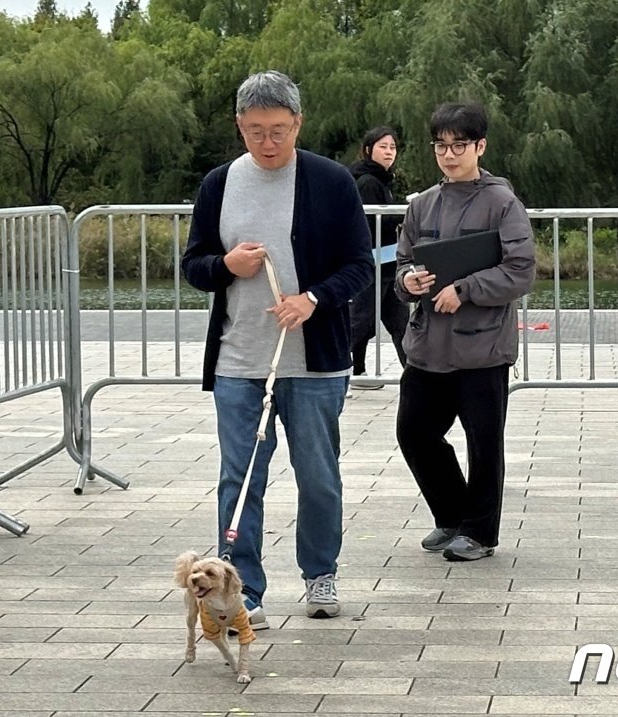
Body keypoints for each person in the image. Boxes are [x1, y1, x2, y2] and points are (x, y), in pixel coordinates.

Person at [180, 71, 372, 627]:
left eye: (280, 130)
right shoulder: (218, 183)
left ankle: (320, 574)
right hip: (240, 361)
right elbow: (195, 265)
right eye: (257, 130)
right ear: (239, 126)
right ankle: (242, 591)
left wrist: (313, 298)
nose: (268, 142)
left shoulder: (333, 181)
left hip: (314, 365)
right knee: (239, 478)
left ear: (298, 124)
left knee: (318, 475)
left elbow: (360, 266)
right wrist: (226, 266)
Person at [394, 102, 535, 562]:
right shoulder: (422, 205)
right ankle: (452, 514)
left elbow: (521, 270)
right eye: (441, 146)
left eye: (459, 146)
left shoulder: (502, 203)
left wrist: (467, 288)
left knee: (483, 442)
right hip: (427, 346)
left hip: (482, 348)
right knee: (414, 432)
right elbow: (402, 263)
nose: (449, 155)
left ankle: (479, 532)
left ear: (480, 146)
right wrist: (407, 282)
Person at [347, 126, 408, 391]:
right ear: (369, 149)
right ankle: (339, 370)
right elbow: (372, 222)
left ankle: (412, 376)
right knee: (362, 321)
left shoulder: (381, 180)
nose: (389, 152)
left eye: (392, 147)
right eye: (383, 146)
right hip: (373, 263)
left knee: (400, 322)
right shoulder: (368, 182)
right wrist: (404, 214)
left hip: (388, 262)